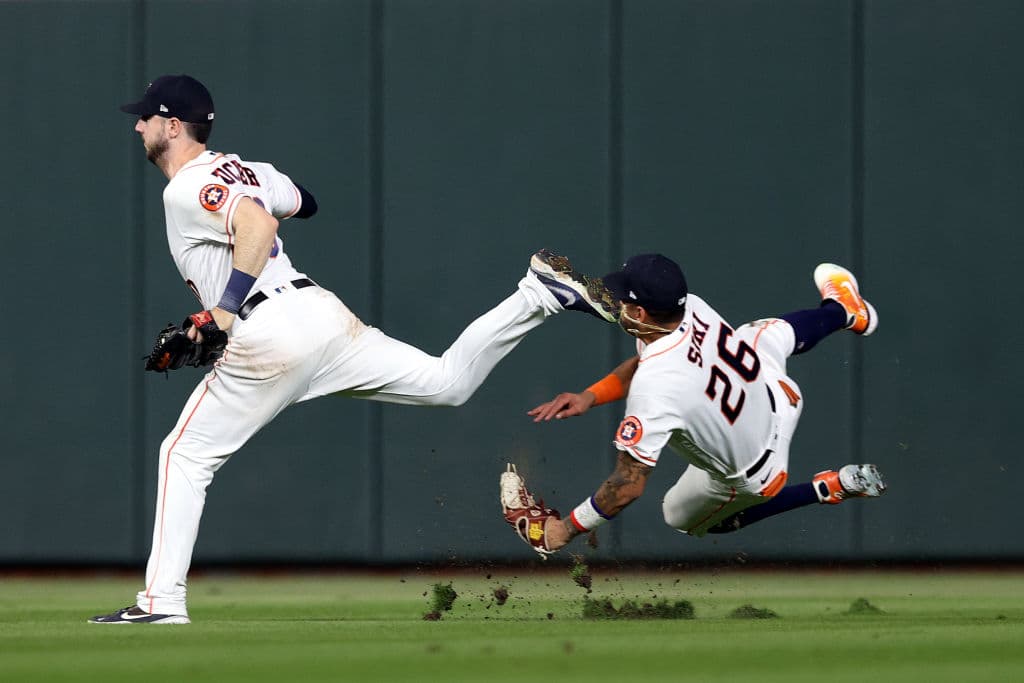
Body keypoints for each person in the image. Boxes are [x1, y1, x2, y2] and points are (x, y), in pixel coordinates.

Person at [90, 74, 619, 624]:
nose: (138, 125)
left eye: (147, 117)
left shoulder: (187, 186)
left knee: (184, 455)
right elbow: (304, 203)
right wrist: (251, 201)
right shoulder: (248, 170)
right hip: (320, 316)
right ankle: (536, 296)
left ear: (173, 126)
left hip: (269, 330)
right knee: (447, 384)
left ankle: (161, 603)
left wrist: (220, 313)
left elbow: (258, 220)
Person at [502, 253, 886, 557]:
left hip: (759, 470)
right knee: (762, 335)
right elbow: (650, 360)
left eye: (622, 300)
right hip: (777, 393)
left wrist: (564, 530)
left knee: (683, 517)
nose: (615, 302)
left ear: (640, 313)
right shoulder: (692, 309)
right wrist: (591, 395)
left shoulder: (657, 389)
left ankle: (824, 488)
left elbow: (626, 487)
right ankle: (844, 311)